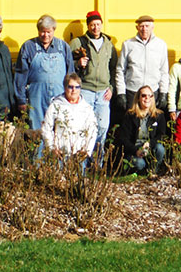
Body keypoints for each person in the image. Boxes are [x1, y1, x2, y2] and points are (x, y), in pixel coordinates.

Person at [69, 10, 117, 164]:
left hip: (103, 92)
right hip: (85, 90)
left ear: (101, 24)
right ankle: (82, 162)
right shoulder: (78, 42)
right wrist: (78, 64)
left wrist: (112, 88)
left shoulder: (109, 44)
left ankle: (98, 164)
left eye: (98, 24)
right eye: (92, 25)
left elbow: (114, 68)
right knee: (84, 127)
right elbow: (68, 65)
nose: (95, 28)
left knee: (102, 127)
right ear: (88, 25)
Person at [14, 14, 74, 131]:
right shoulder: (28, 47)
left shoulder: (63, 47)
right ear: (38, 31)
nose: (45, 35)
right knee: (38, 131)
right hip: (36, 98)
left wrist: (71, 95)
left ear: (53, 30)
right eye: (42, 31)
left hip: (60, 96)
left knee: (60, 130)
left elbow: (70, 74)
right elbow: (21, 75)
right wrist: (21, 100)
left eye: (48, 32)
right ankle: (39, 150)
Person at [41, 73, 98, 169]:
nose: (74, 90)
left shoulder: (87, 108)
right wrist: (52, 148)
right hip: (60, 155)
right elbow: (46, 128)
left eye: (77, 87)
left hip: (79, 157)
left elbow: (93, 130)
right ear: (65, 87)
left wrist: (87, 151)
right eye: (70, 87)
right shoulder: (55, 105)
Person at [115, 15, 169, 110]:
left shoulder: (161, 45)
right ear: (137, 28)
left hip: (152, 92)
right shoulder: (128, 44)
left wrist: (163, 93)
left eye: (147, 26)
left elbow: (164, 71)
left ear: (152, 27)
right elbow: (120, 70)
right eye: (141, 26)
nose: (144, 29)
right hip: (132, 91)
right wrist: (121, 93)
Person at [115, 85, 168, 175]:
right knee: (140, 164)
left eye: (150, 95)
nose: (147, 98)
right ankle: (139, 173)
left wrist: (150, 143)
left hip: (150, 148)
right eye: (143, 95)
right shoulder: (130, 115)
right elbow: (124, 139)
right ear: (138, 98)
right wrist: (136, 150)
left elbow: (161, 135)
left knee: (160, 149)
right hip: (134, 150)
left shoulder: (159, 115)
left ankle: (153, 170)